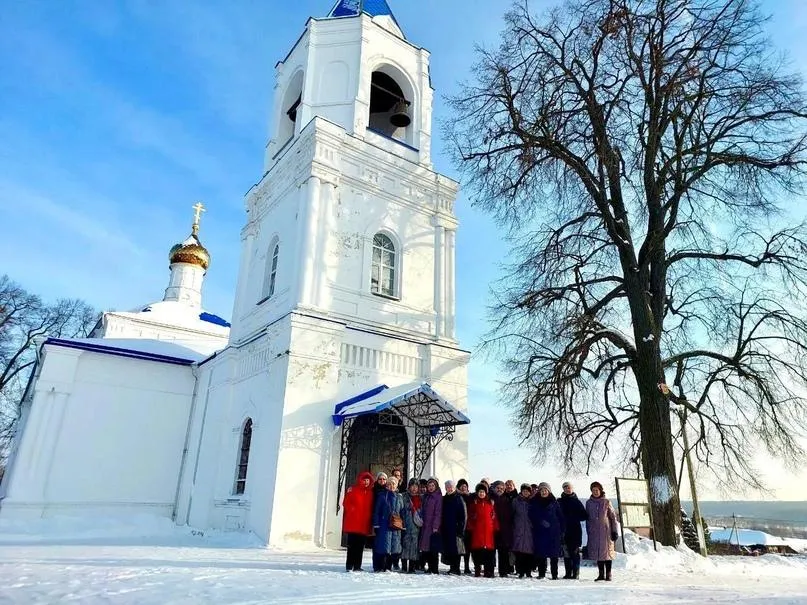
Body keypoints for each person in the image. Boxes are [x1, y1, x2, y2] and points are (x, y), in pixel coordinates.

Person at [530, 482, 565, 579]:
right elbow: (532, 515)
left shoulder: (554, 502)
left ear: (549, 491)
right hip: (540, 532)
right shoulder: (535, 502)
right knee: (541, 554)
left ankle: (554, 574)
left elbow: (560, 517)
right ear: (539, 491)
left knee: (554, 555)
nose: (544, 492)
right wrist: (540, 521)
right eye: (542, 490)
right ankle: (541, 574)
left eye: (545, 490)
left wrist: (562, 530)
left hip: (554, 532)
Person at [341, 471, 375, 572]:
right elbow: (346, 503)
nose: (366, 482)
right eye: (364, 480)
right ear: (360, 480)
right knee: (351, 546)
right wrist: (352, 510)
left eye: (368, 480)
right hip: (353, 523)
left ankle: (357, 566)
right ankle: (349, 565)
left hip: (363, 524)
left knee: (360, 547)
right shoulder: (353, 490)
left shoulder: (370, 493)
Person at [586, 481, 618, 582]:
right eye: (593, 490)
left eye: (597, 490)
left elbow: (613, 517)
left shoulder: (606, 502)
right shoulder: (589, 503)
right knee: (598, 554)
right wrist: (589, 531)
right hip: (594, 532)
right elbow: (587, 518)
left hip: (606, 532)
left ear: (600, 490)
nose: (595, 492)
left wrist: (614, 531)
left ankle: (608, 574)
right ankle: (601, 574)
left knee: (607, 554)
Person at [372, 475, 404, 572]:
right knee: (383, 546)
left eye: (393, 484)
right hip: (384, 525)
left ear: (396, 485)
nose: (391, 486)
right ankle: (381, 567)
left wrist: (403, 524)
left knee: (393, 547)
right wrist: (376, 524)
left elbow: (402, 512)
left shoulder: (399, 497)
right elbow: (377, 511)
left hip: (395, 525)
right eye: (389, 484)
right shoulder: (382, 496)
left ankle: (388, 567)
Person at [467, 482, 498, 578]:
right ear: (477, 493)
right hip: (477, 531)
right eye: (480, 492)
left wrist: (496, 527)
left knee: (488, 553)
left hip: (489, 531)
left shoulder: (490, 503)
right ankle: (477, 568)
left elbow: (494, 516)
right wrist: (471, 526)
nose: (481, 494)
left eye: (483, 492)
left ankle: (488, 571)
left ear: (486, 493)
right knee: (477, 552)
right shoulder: (474, 503)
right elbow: (470, 516)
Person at [558, 481, 587, 579]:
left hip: (575, 530)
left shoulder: (576, 501)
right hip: (564, 531)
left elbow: (584, 515)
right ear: (563, 489)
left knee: (574, 553)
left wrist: (574, 517)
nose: (567, 489)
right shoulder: (560, 501)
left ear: (572, 489)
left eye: (569, 487)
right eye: (565, 488)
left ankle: (576, 573)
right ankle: (568, 573)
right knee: (566, 553)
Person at [441, 480, 467, 575]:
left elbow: (464, 515)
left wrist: (461, 529)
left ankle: (456, 568)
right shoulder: (445, 499)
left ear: (454, 487)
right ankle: (452, 567)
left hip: (456, 528)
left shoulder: (459, 498)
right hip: (447, 527)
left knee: (457, 550)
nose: (449, 488)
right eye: (448, 487)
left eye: (451, 487)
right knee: (450, 549)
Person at [419, 477, 443, 574]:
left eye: (433, 485)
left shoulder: (438, 497)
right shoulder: (426, 496)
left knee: (434, 549)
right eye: (429, 485)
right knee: (427, 548)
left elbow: (438, 512)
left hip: (433, 526)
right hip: (426, 525)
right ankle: (429, 567)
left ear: (436, 486)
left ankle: (435, 568)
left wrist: (436, 526)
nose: (431, 487)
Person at [511, 483, 534, 578]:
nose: (526, 493)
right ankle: (520, 571)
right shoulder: (516, 501)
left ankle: (528, 572)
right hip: (518, 529)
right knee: (519, 552)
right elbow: (512, 514)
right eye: (524, 491)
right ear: (521, 491)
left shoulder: (532, 502)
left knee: (529, 552)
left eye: (527, 491)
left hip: (530, 530)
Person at [400, 478, 422, 574]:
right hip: (405, 524)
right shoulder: (403, 496)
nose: (414, 488)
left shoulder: (421, 498)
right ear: (409, 487)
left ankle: (412, 567)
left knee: (414, 546)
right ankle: (404, 566)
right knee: (404, 544)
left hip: (416, 526)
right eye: (412, 486)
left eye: (416, 486)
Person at [492, 481, 514, 577]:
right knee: (491, 552)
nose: (499, 490)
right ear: (494, 488)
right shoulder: (490, 499)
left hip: (505, 529)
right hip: (492, 529)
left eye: (501, 488)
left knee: (503, 552)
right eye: (498, 488)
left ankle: (503, 571)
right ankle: (490, 570)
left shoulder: (507, 499)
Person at [456, 478, 473, 574]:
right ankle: (456, 567)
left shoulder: (470, 497)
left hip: (468, 526)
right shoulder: (456, 497)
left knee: (467, 549)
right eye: (461, 486)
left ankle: (467, 566)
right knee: (458, 547)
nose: (463, 488)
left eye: (465, 486)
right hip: (458, 525)